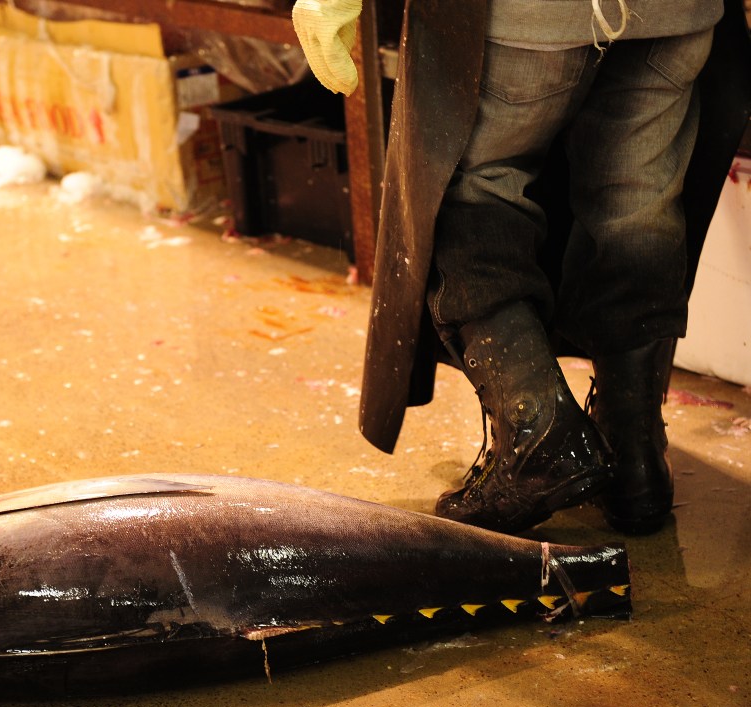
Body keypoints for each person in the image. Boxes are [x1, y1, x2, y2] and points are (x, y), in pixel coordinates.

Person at [293, 0, 751, 534]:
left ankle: (540, 439)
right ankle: (635, 460)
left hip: (532, 14)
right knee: (637, 204)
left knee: (469, 190)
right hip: (676, 13)